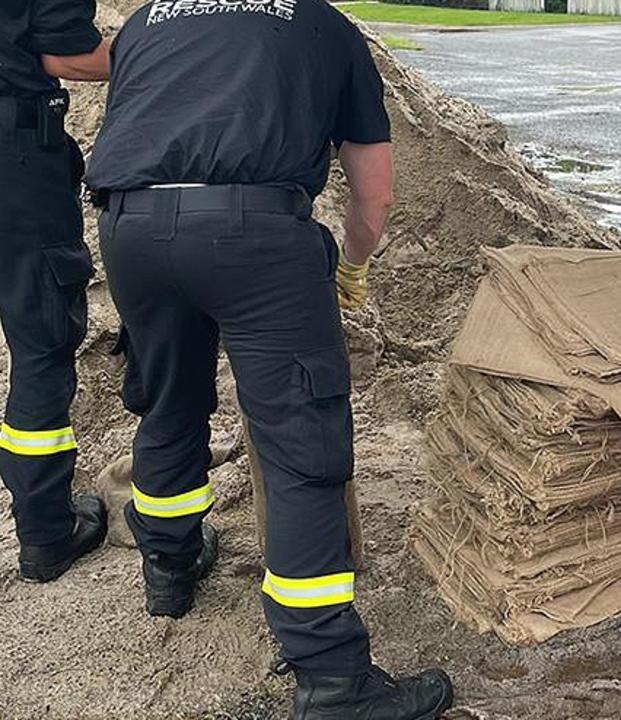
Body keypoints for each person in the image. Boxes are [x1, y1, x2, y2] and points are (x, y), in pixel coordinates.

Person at [83, 1, 453, 718]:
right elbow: (373, 194)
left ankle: (170, 563)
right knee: (299, 445)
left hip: (131, 230)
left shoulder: (148, 21)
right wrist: (352, 264)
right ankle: (331, 679)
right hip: (254, 236)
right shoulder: (324, 26)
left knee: (169, 403)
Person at [0, 0, 111, 583]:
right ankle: (46, 532)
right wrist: (161, 49)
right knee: (41, 335)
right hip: (13, 156)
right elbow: (65, 52)